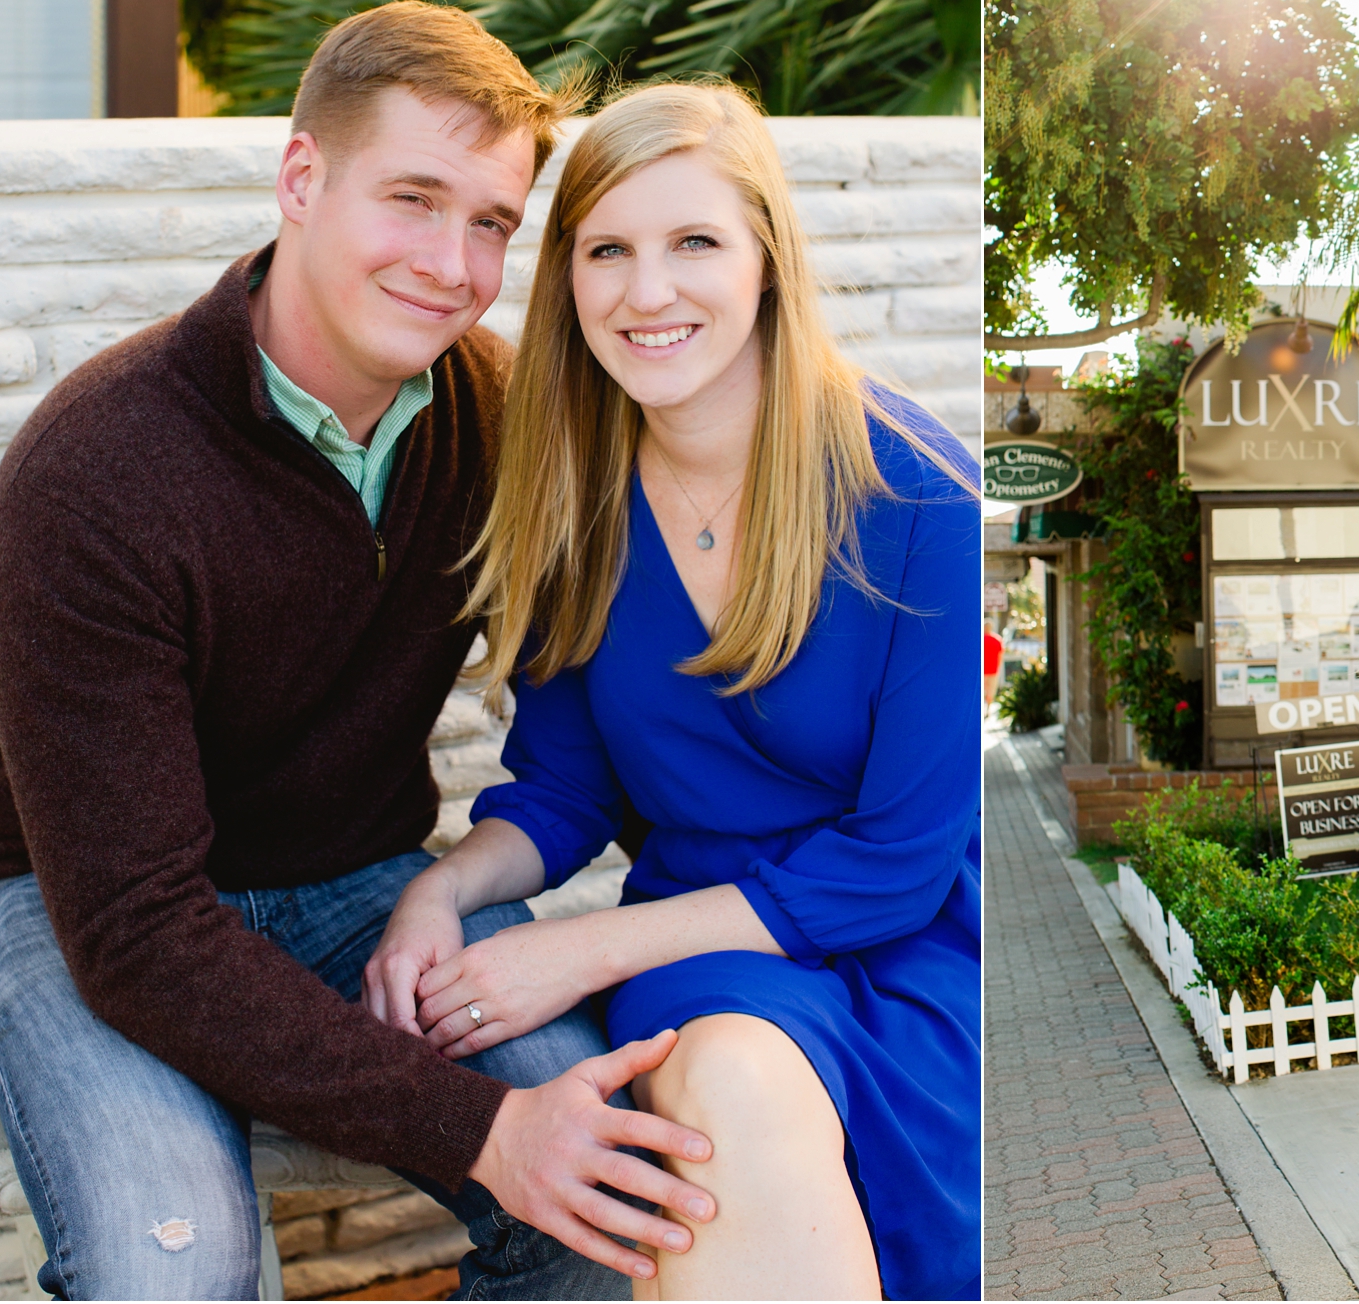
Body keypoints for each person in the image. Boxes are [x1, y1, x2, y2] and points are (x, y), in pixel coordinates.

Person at [0, 1, 718, 1301]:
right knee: (178, 1269)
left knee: (624, 1203)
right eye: (414, 199)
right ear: (302, 178)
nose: (451, 261)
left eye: (491, 222)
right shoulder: (94, 470)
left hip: (354, 880)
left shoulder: (496, 416)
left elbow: (604, 713)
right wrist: (486, 1132)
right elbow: (140, 935)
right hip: (73, 903)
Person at [363, 80, 982, 1301]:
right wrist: (440, 889)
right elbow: (561, 789)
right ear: (570, 278)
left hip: (914, 950)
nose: (648, 294)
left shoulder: (918, 501)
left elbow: (899, 863)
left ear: (765, 261)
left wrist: (581, 952)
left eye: (693, 242)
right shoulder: (569, 502)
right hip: (715, 955)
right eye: (607, 251)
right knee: (724, 1100)